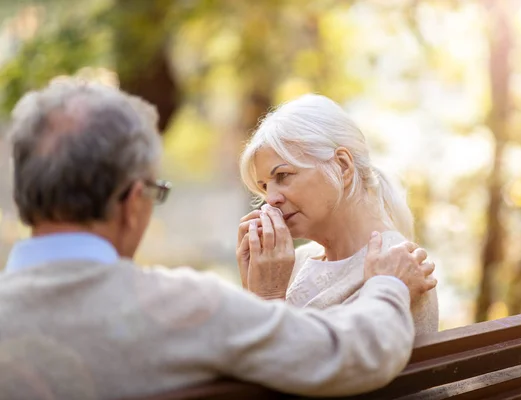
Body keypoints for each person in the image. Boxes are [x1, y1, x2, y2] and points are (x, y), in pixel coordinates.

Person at [0, 77, 437, 400]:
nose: (271, 201)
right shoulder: (187, 307)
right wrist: (389, 284)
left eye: (283, 177)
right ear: (135, 204)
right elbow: (351, 356)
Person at [238, 94, 439, 335]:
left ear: (343, 166)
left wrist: (267, 297)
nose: (270, 200)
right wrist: (254, 291)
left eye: (282, 176)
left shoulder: (399, 267)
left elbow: (313, 369)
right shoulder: (292, 263)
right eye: (264, 187)